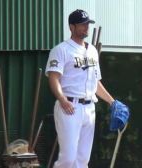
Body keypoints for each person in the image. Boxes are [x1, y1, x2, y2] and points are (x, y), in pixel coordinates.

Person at [45, 9, 115, 168]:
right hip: (69, 106)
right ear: (72, 27)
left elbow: (96, 82)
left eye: (87, 24)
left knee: (83, 160)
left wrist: (112, 102)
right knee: (68, 158)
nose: (86, 27)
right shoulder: (61, 49)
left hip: (89, 107)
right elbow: (53, 78)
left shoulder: (92, 51)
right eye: (82, 24)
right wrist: (62, 99)